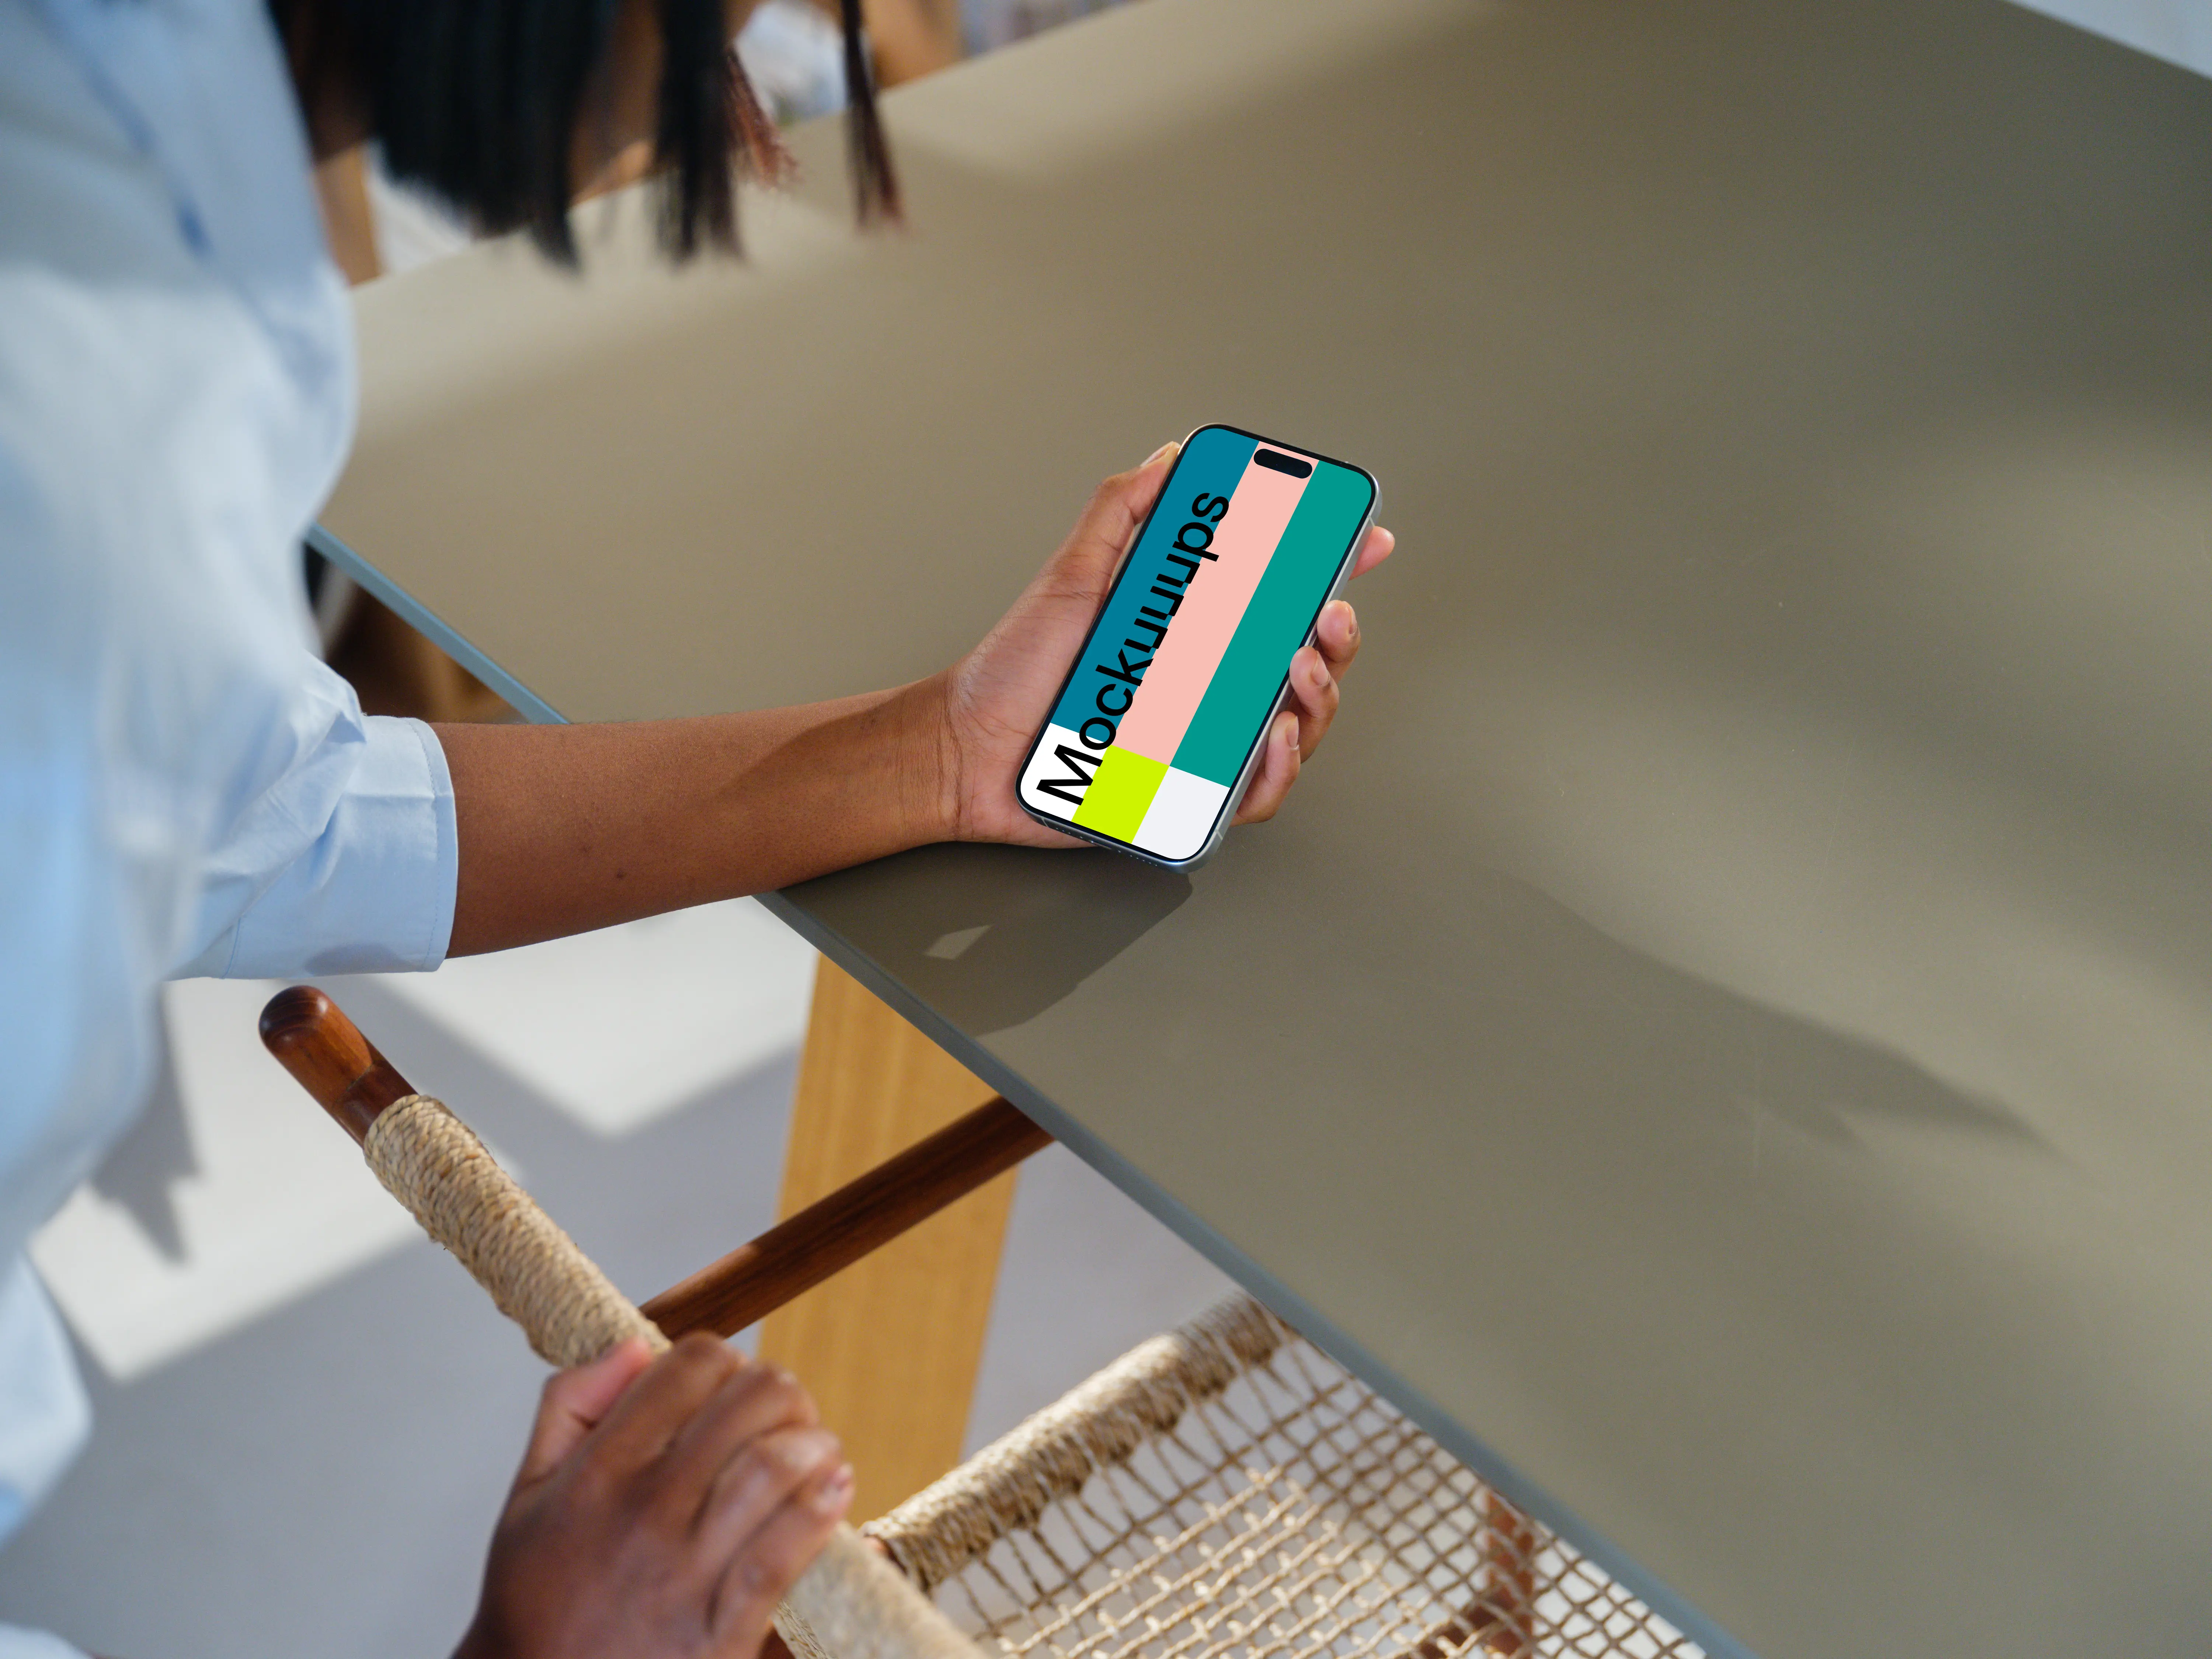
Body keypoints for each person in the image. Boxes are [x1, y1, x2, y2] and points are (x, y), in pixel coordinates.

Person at [0, 0, 1396, 1654]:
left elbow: (251, 804)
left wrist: (941, 755)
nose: (778, 42)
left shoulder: (122, 225)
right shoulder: (79, 465)